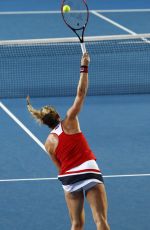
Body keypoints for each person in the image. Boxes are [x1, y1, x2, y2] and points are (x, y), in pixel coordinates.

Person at [26, 52, 110, 230]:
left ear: (44, 122)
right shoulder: (69, 121)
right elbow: (80, 94)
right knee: (100, 219)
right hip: (88, 170)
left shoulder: (48, 143)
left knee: (76, 224)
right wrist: (84, 66)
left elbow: (59, 166)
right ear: (57, 115)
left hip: (68, 178)